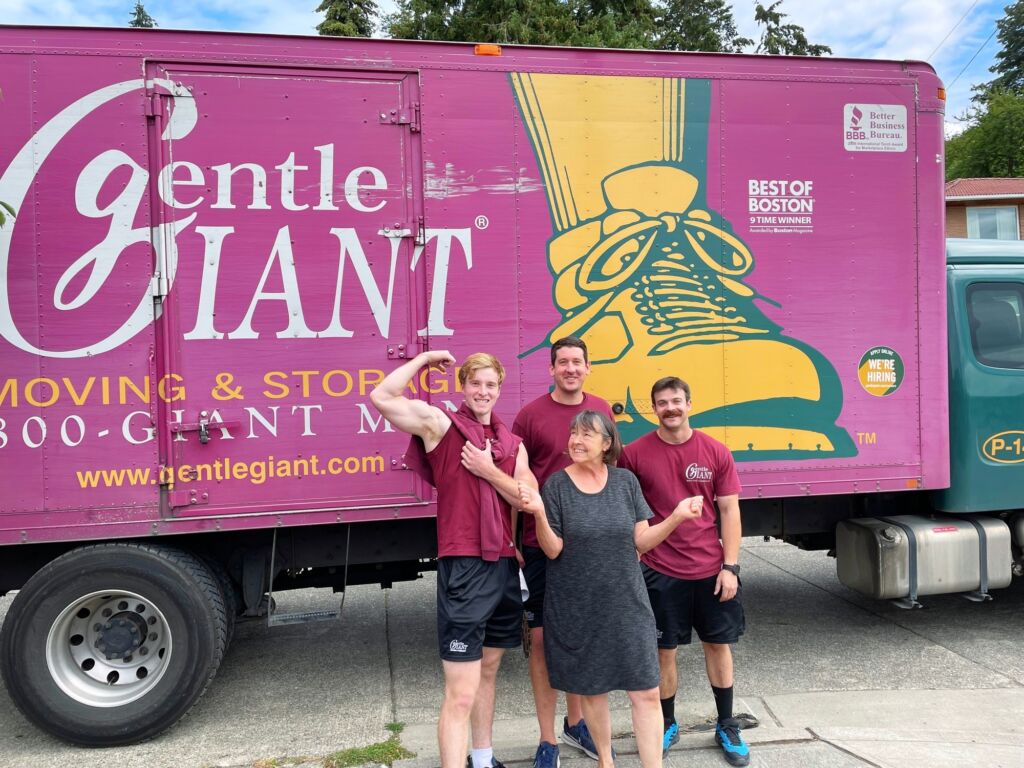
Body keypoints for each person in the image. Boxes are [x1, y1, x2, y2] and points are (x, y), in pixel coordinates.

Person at [370, 351, 533, 768]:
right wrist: (423, 359)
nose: (483, 392)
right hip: (464, 566)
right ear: (463, 386)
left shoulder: (513, 444)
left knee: (489, 673)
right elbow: (383, 396)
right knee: (461, 690)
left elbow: (527, 499)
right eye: (475, 383)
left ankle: (482, 758)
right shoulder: (441, 426)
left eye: (490, 385)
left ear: (499, 390)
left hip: (503, 566)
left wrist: (487, 470)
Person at [517, 410, 702, 768]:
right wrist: (539, 513)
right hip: (576, 607)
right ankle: (606, 760)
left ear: (606, 444)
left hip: (627, 604)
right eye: (573, 433)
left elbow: (642, 541)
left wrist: (677, 516)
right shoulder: (556, 486)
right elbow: (553, 549)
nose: (576, 440)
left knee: (647, 691)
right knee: (592, 690)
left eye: (587, 434)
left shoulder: (625, 483)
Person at [618, 377, 750, 767]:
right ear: (653, 408)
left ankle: (726, 723)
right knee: (664, 652)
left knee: (718, 645)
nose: (670, 408)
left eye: (677, 401)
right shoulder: (635, 454)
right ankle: (668, 722)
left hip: (711, 570)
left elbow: (729, 511)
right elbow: (627, 509)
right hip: (660, 572)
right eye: (662, 402)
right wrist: (634, 552)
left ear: (690, 404)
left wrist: (730, 567)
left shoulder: (714, 451)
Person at [511, 336, 615, 768]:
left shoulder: (602, 410)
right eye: (563, 362)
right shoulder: (530, 416)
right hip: (540, 545)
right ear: (551, 369)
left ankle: (576, 723)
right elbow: (517, 483)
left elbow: (613, 474)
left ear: (588, 368)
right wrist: (514, 541)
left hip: (588, 549)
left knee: (580, 640)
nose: (571, 368)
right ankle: (548, 739)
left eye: (578, 362)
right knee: (540, 643)